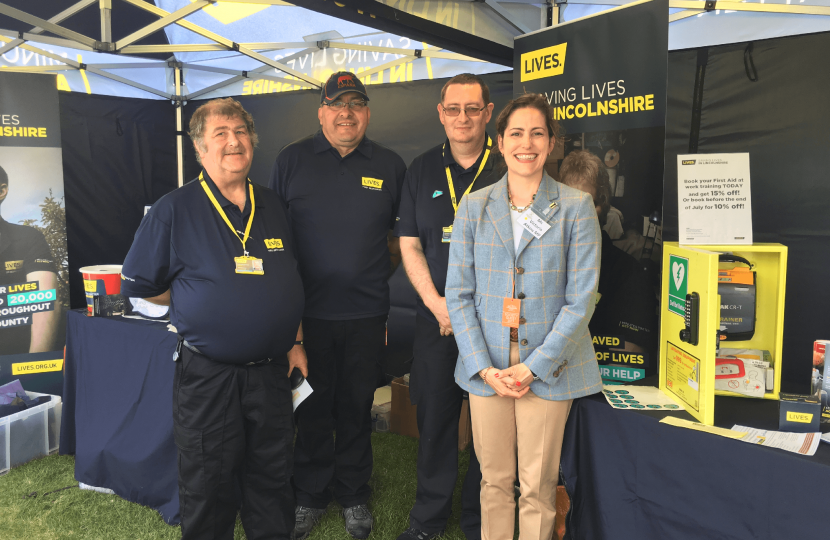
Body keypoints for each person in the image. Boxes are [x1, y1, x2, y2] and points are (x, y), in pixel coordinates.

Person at [120, 98, 306, 540]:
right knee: (208, 487)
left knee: (273, 481)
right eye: (219, 134)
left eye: (240, 132)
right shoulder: (174, 209)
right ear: (200, 149)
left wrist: (296, 340)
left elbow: (289, 281)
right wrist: (195, 305)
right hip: (208, 377)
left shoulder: (274, 205)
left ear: (253, 142)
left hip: (270, 375)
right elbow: (140, 286)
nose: (232, 141)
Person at [445, 93, 602, 540]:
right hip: (487, 368)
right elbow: (458, 294)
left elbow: (582, 300)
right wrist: (482, 366)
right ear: (500, 141)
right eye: (516, 133)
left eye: (538, 133)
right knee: (493, 481)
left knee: (536, 486)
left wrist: (534, 367)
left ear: (552, 142)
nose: (526, 143)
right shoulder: (474, 207)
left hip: (549, 368)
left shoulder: (575, 208)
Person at [270, 71, 406, 540]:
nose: (346, 112)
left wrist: (361, 275)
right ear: (321, 111)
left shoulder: (389, 165)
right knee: (310, 406)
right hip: (307, 318)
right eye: (337, 104)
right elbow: (277, 241)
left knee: (356, 405)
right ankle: (308, 494)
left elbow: (397, 242)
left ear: (366, 111)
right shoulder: (292, 161)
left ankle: (353, 494)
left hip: (367, 314)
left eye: (356, 103)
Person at [393, 73, 499, 540]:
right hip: (435, 322)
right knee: (435, 423)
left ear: (488, 113)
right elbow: (410, 244)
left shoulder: (507, 166)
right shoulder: (420, 169)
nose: (462, 118)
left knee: (489, 431)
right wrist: (437, 305)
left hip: (495, 327)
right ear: (440, 113)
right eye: (453, 108)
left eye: (472, 108)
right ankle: (428, 521)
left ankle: (481, 521)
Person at [558, 150, 658, 377]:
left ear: (603, 208)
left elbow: (633, 353)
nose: (578, 214)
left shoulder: (629, 273)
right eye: (569, 202)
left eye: (588, 203)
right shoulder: (538, 264)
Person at [0, 164, 61, 355]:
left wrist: (34, 366)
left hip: (15, 361)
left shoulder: (28, 238)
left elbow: (45, 300)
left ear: (2, 191)